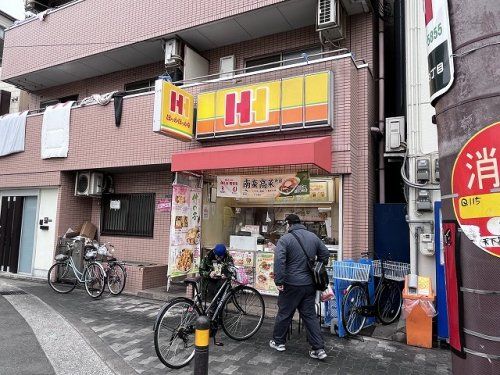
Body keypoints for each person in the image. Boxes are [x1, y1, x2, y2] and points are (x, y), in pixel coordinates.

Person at [270, 214, 330, 360]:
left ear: (288, 224)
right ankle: (319, 349)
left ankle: (279, 342)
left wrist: (279, 281)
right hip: (309, 284)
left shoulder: (285, 239)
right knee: (309, 316)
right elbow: (325, 255)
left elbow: (279, 261)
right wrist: (315, 266)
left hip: (291, 284)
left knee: (285, 313)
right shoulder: (313, 237)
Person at [199, 243, 234, 345]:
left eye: (221, 256)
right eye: (218, 256)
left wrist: (226, 274)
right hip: (210, 282)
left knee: (221, 301)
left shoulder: (227, 257)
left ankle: (217, 319)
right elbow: (201, 271)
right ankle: (211, 320)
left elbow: (232, 269)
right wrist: (209, 274)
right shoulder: (207, 257)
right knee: (214, 301)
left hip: (222, 282)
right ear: (214, 252)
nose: (219, 258)